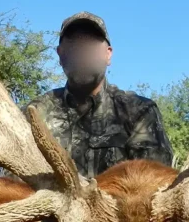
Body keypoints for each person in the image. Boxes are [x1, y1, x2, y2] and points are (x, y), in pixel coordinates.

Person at [28, 12, 174, 179]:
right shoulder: (34, 113)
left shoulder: (139, 112)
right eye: (74, 45)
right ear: (60, 55)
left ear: (108, 54)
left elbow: (154, 183)